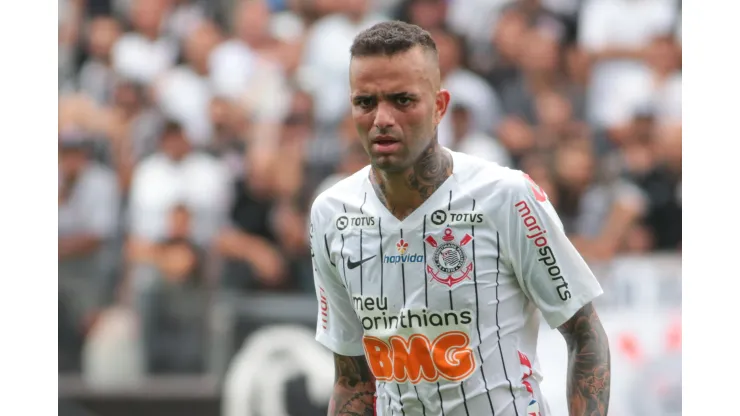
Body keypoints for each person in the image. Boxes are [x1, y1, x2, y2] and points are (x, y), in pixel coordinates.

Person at [309, 21, 611, 416]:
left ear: (439, 106)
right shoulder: (332, 214)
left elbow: (585, 335)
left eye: (402, 100)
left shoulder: (507, 196)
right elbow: (352, 377)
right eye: (365, 102)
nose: (382, 117)